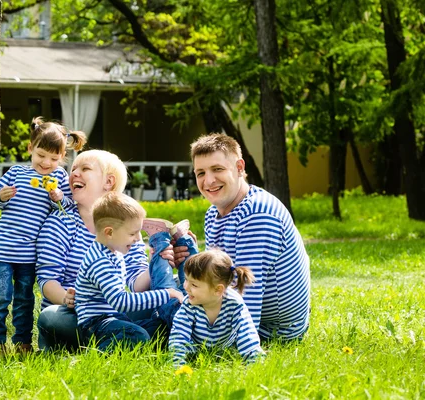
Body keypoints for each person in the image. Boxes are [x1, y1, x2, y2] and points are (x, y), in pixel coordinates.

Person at [36, 150, 177, 351]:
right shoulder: (61, 222)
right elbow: (47, 280)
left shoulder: (127, 228)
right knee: (50, 316)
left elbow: (137, 284)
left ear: (108, 182)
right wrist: (66, 298)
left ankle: (125, 338)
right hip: (74, 313)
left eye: (84, 168)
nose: (74, 173)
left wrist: (155, 262)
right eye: (73, 168)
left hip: (115, 311)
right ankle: (111, 341)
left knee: (167, 293)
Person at [175, 133, 310, 341]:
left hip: (273, 331)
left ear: (239, 168)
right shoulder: (213, 213)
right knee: (168, 290)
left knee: (167, 316)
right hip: (238, 313)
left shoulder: (258, 214)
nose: (208, 180)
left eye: (217, 169)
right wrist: (189, 261)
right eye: (200, 173)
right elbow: (217, 278)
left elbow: (247, 298)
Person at [0, 117, 86, 356]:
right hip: (2, 250)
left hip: (29, 254)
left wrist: (59, 199)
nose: (46, 162)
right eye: (41, 155)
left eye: (54, 158)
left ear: (62, 157)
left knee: (24, 298)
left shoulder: (60, 178)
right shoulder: (16, 172)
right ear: (31, 149)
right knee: (0, 296)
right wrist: (2, 195)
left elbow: (66, 209)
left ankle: (22, 342)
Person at [75, 192, 185, 350]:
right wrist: (167, 294)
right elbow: (122, 302)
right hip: (96, 325)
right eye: (132, 234)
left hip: (115, 319)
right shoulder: (100, 261)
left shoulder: (113, 251)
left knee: (160, 328)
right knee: (138, 336)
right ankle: (98, 351)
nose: (137, 239)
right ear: (109, 232)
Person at [169, 249, 265, 367]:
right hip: (196, 350)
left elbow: (247, 333)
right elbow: (179, 335)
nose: (186, 287)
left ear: (217, 290)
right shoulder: (189, 304)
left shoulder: (234, 305)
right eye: (186, 280)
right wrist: (177, 364)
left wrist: (255, 362)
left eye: (194, 284)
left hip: (225, 349)